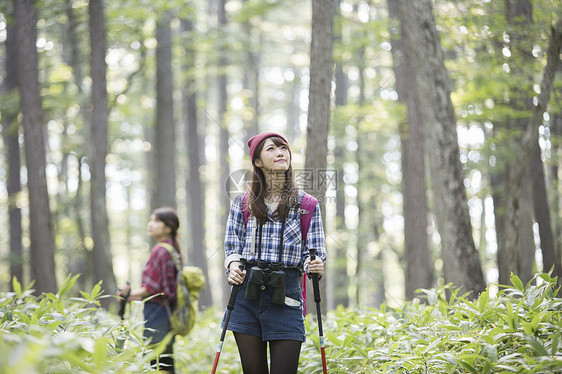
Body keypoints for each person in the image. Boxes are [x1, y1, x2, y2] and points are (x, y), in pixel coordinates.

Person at [224, 132, 327, 374]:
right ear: (257, 161)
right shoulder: (241, 204)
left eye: (283, 148)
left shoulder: (307, 205)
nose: (280, 152)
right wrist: (233, 267)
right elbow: (232, 248)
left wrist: (315, 264)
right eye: (271, 149)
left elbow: (315, 253)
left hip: (287, 296)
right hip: (246, 296)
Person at [118, 207, 183, 374]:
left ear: (168, 228)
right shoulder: (172, 250)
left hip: (157, 314)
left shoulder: (160, 251)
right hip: (168, 313)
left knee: (156, 361)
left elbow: (152, 289)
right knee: (165, 360)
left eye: (155, 221)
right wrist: (131, 296)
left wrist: (128, 295)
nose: (150, 224)